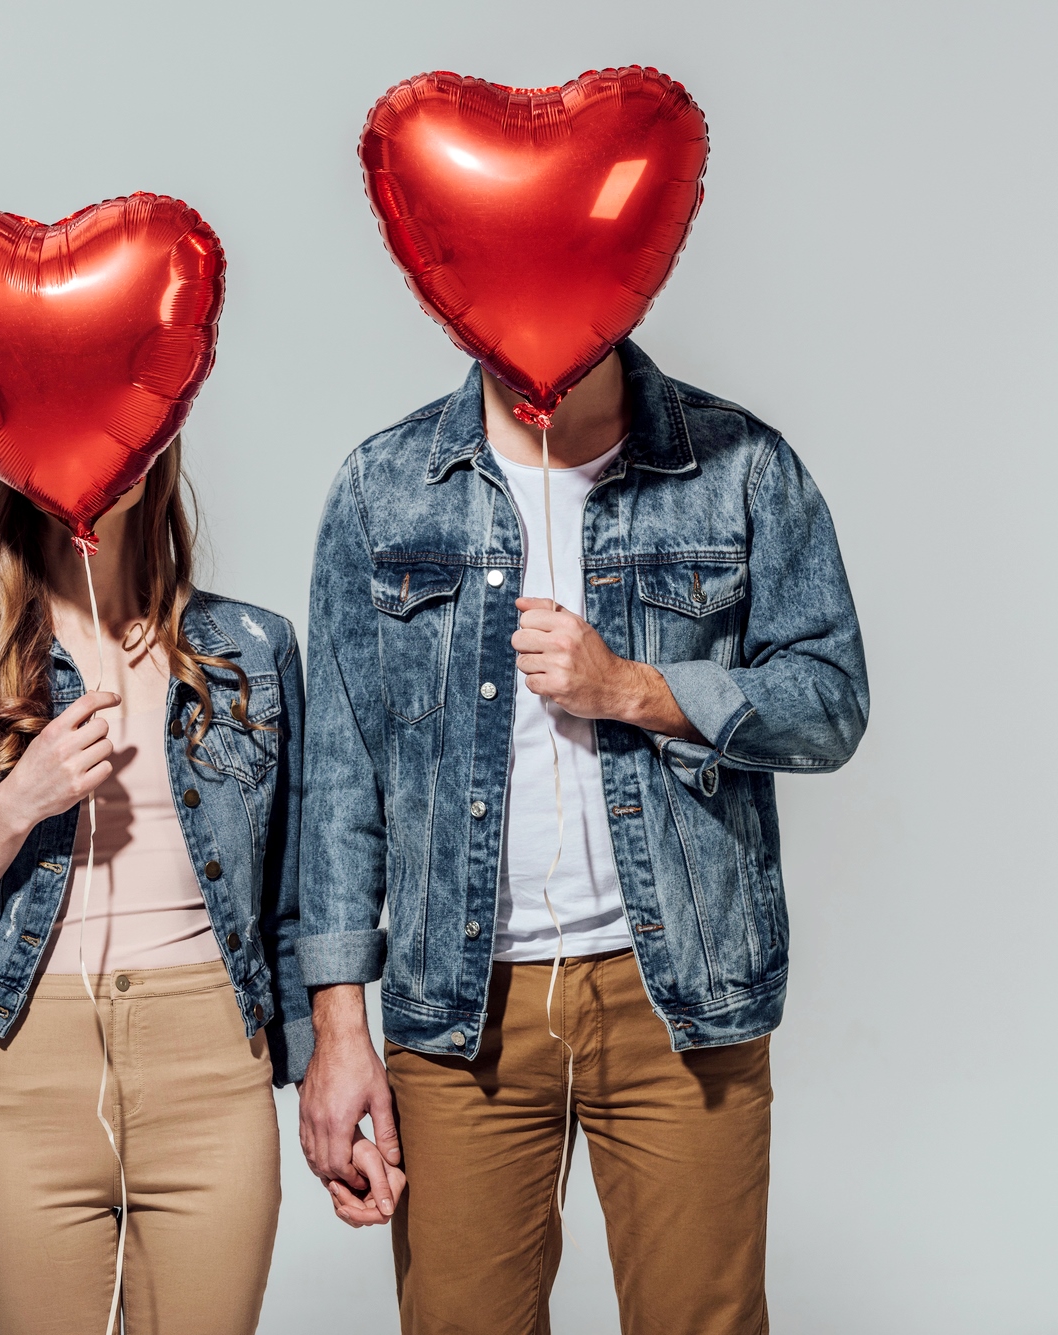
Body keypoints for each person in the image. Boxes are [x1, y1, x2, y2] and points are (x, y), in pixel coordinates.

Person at [295, 340, 868, 1334]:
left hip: (676, 999)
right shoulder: (382, 490)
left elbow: (827, 705)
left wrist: (634, 691)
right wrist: (337, 1032)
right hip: (460, 1012)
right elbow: (340, 778)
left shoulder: (738, 466)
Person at [0, 440, 309, 1335]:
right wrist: (16, 803)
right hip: (28, 1079)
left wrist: (320, 1071)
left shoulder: (252, 650)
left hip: (213, 1081)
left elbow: (288, 908)